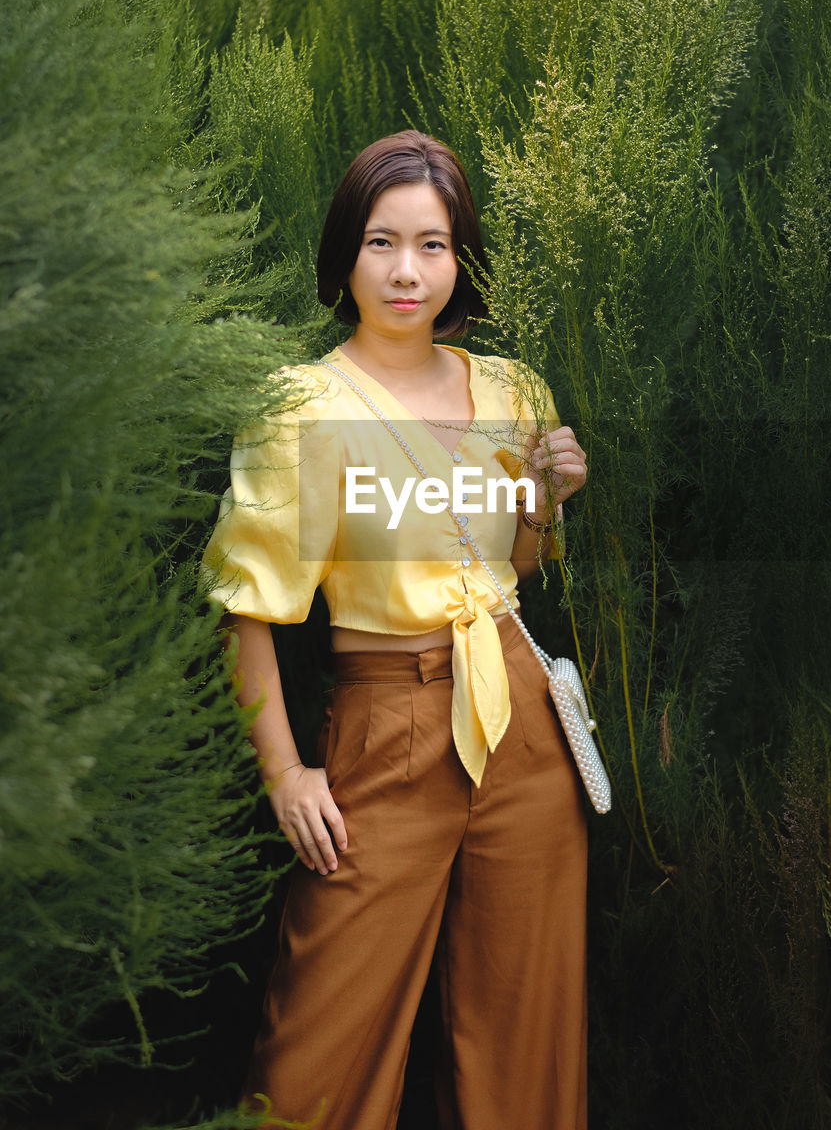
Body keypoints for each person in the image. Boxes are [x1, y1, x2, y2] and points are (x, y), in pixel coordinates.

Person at [201, 131, 589, 1130]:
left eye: (433, 242)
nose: (407, 270)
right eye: (382, 241)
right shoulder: (301, 407)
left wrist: (544, 499)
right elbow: (249, 608)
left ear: (460, 257)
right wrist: (286, 773)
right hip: (386, 722)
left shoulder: (513, 389)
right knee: (315, 1054)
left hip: (523, 723)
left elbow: (517, 573)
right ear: (345, 256)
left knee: (527, 1030)